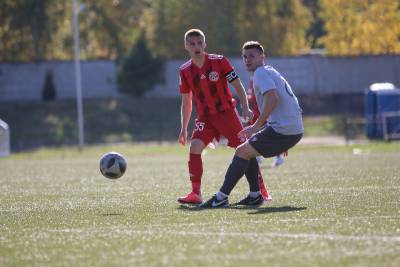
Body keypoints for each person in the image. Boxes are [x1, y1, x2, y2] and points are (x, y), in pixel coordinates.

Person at [201, 41, 304, 208]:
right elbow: (286, 101)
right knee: (247, 149)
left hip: (284, 130)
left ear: (262, 57)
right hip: (290, 129)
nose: (247, 59)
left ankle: (220, 198)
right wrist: (286, 131)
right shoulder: (270, 71)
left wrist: (257, 126)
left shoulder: (261, 73)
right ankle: (255, 195)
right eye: (245, 56)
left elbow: (273, 98)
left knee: (242, 151)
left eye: (252, 56)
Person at [177, 29, 271, 204]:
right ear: (186, 46)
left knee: (245, 150)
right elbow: (186, 101)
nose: (196, 47)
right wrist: (183, 128)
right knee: (195, 148)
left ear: (205, 44)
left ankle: (260, 190)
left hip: (226, 113)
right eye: (192, 44)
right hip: (205, 117)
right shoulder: (184, 70)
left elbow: (237, 84)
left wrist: (245, 107)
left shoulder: (219, 61)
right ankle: (195, 193)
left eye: (199, 43)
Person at [247, 79, 286, 168]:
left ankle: (277, 156)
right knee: (256, 134)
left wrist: (249, 97)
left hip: (263, 112)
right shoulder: (253, 79)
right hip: (257, 111)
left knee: (268, 134)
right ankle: (257, 156)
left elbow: (264, 95)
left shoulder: (262, 78)